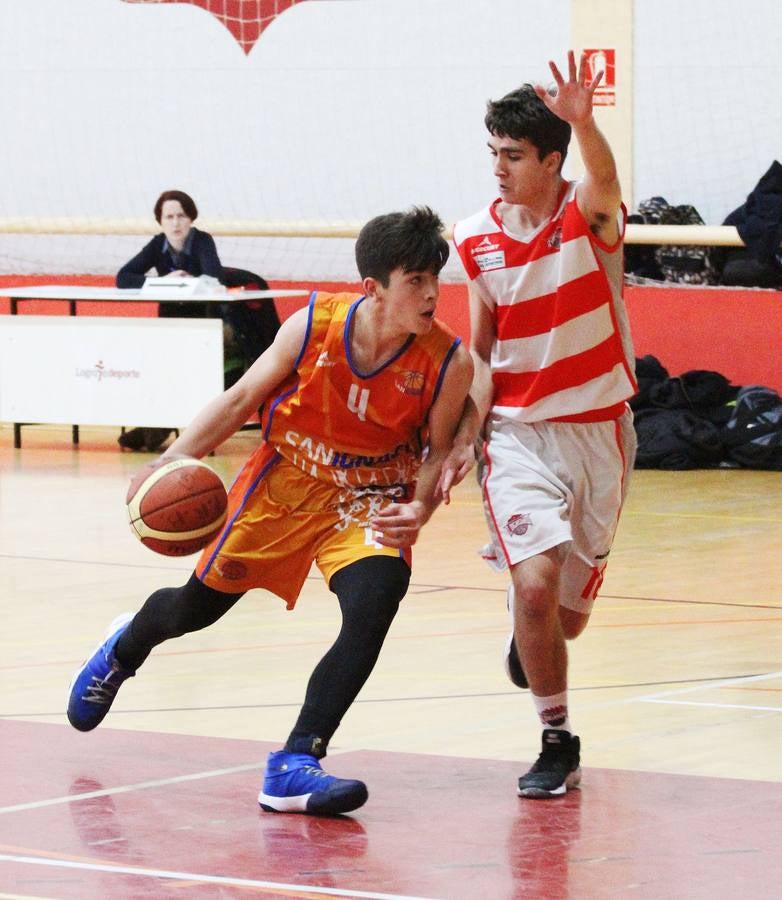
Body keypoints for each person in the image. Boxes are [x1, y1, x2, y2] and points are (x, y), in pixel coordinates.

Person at [67, 206, 474, 816]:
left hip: (368, 499)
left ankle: (294, 762)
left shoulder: (448, 360)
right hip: (284, 484)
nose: (432, 294)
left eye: (435, 278)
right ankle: (125, 648)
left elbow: (438, 449)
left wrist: (419, 507)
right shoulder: (312, 327)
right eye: (415, 280)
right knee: (193, 610)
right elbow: (240, 399)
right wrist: (172, 458)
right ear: (374, 288)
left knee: (373, 607)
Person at [451, 52, 637, 798]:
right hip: (519, 436)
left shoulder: (585, 217)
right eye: (492, 152)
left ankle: (533, 644)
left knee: (567, 622)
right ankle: (556, 737)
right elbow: (481, 352)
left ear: (553, 160)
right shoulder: (474, 237)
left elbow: (606, 180)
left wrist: (586, 120)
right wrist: (463, 441)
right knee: (535, 589)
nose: (498, 167)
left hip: (600, 433)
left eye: (514, 155)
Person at [116, 189, 224, 452]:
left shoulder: (202, 241)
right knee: (158, 365)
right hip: (171, 327)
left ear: (191, 218)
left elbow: (215, 279)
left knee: (185, 367)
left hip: (207, 324)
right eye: (169, 217)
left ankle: (160, 432)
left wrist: (190, 283)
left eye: (181, 216)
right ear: (160, 221)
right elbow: (123, 277)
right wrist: (160, 282)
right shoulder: (157, 245)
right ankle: (153, 428)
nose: (175, 223)